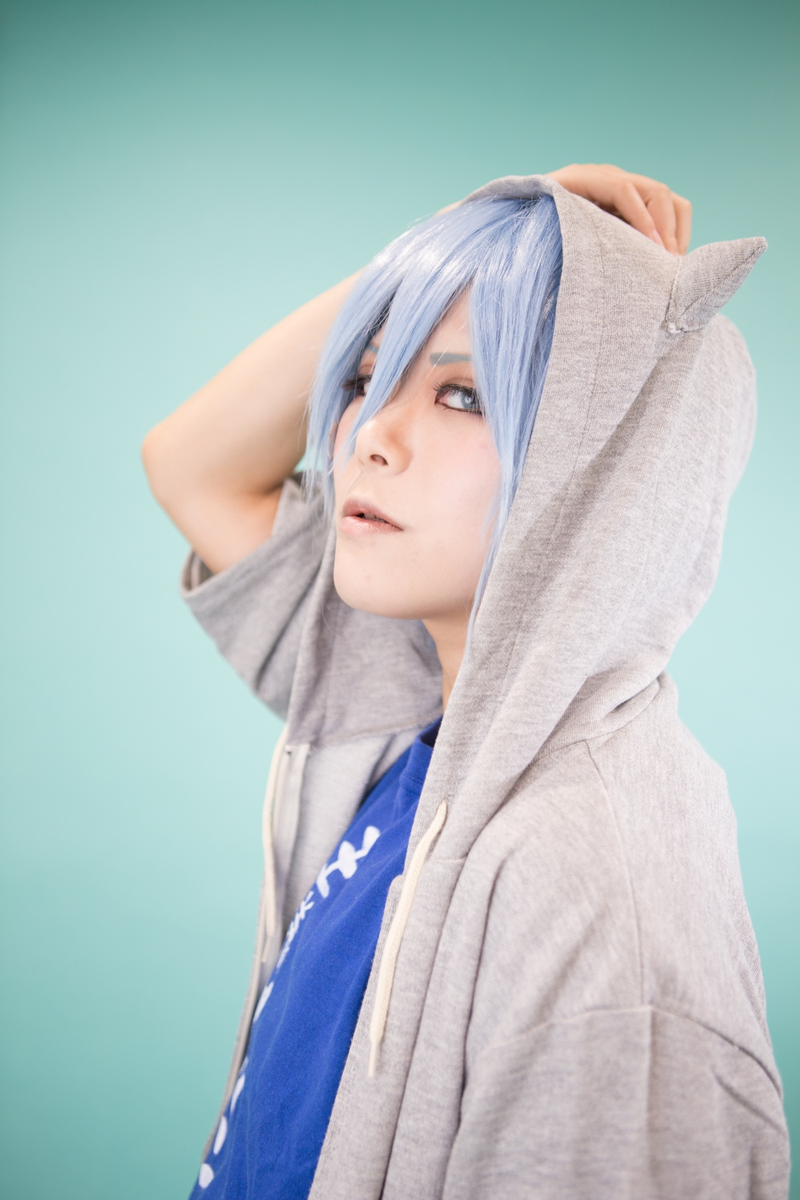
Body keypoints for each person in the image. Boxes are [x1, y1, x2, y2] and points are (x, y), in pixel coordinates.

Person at [142, 164, 790, 1199]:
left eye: (461, 395)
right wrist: (450, 247)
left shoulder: (589, 895)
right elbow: (189, 464)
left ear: (607, 461)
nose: (370, 436)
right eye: (366, 379)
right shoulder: (403, 685)